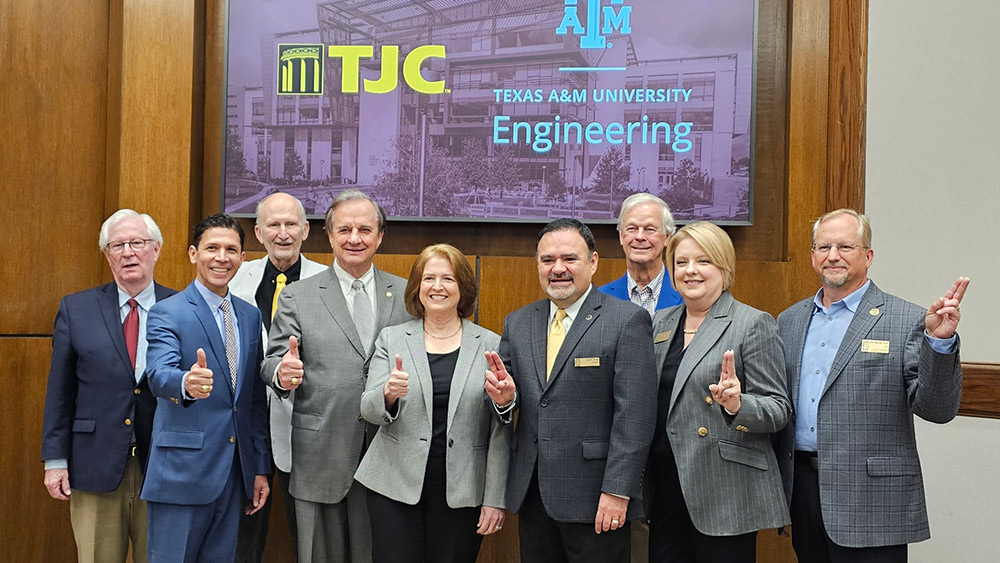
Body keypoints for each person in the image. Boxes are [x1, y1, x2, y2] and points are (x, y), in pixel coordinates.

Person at [777, 209, 969, 563]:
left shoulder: (907, 319)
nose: (833, 256)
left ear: (867, 256)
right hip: (803, 492)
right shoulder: (788, 321)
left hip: (873, 500)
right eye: (824, 247)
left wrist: (939, 343)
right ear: (813, 256)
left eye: (845, 247)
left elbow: (936, 409)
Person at [483, 218, 657, 563]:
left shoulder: (626, 320)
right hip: (534, 494)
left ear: (593, 262)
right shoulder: (518, 322)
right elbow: (507, 398)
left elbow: (635, 417)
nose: (557, 268)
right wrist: (504, 401)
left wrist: (617, 491)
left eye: (569, 259)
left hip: (596, 498)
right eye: (547, 260)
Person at [262, 189, 412, 563]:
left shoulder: (407, 294)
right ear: (329, 236)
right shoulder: (298, 295)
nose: (354, 238)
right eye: (344, 229)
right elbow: (271, 362)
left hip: (387, 450)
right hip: (320, 452)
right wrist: (283, 372)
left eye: (365, 229)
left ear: (380, 236)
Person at [355, 243, 509, 563]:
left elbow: (499, 431)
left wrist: (495, 499)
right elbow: (368, 409)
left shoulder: (491, 344)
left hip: (462, 491)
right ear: (417, 287)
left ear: (463, 288)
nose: (437, 287)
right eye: (428, 278)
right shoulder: (392, 338)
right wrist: (388, 393)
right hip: (394, 487)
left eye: (448, 279)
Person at [646, 221, 790, 562]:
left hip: (724, 490)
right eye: (681, 263)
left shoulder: (751, 323)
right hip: (667, 485)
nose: (690, 271)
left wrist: (738, 404)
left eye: (703, 261)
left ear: (724, 268)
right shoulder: (660, 323)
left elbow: (778, 408)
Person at [41, 209, 176, 563]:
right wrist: (54, 460)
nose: (128, 252)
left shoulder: (182, 307)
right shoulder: (76, 309)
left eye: (137, 243)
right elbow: (60, 390)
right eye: (117, 245)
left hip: (163, 466)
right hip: (94, 465)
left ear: (157, 249)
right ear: (107, 255)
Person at [141, 214, 271, 562]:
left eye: (231, 250)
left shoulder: (249, 315)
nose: (222, 257)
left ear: (243, 259)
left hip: (233, 476)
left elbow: (253, 401)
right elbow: (157, 373)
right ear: (193, 254)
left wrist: (259, 467)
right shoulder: (167, 312)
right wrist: (186, 383)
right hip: (181, 474)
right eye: (212, 248)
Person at [231, 192, 326, 562]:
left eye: (291, 224)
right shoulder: (237, 278)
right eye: (273, 224)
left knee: (310, 538)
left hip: (305, 427)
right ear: (258, 232)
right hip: (246, 428)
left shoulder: (327, 281)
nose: (282, 233)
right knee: (244, 535)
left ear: (305, 230)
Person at [599, 193, 682, 316]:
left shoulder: (685, 294)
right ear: (621, 236)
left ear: (667, 237)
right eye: (632, 228)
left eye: (650, 229)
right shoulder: (600, 298)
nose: (640, 237)